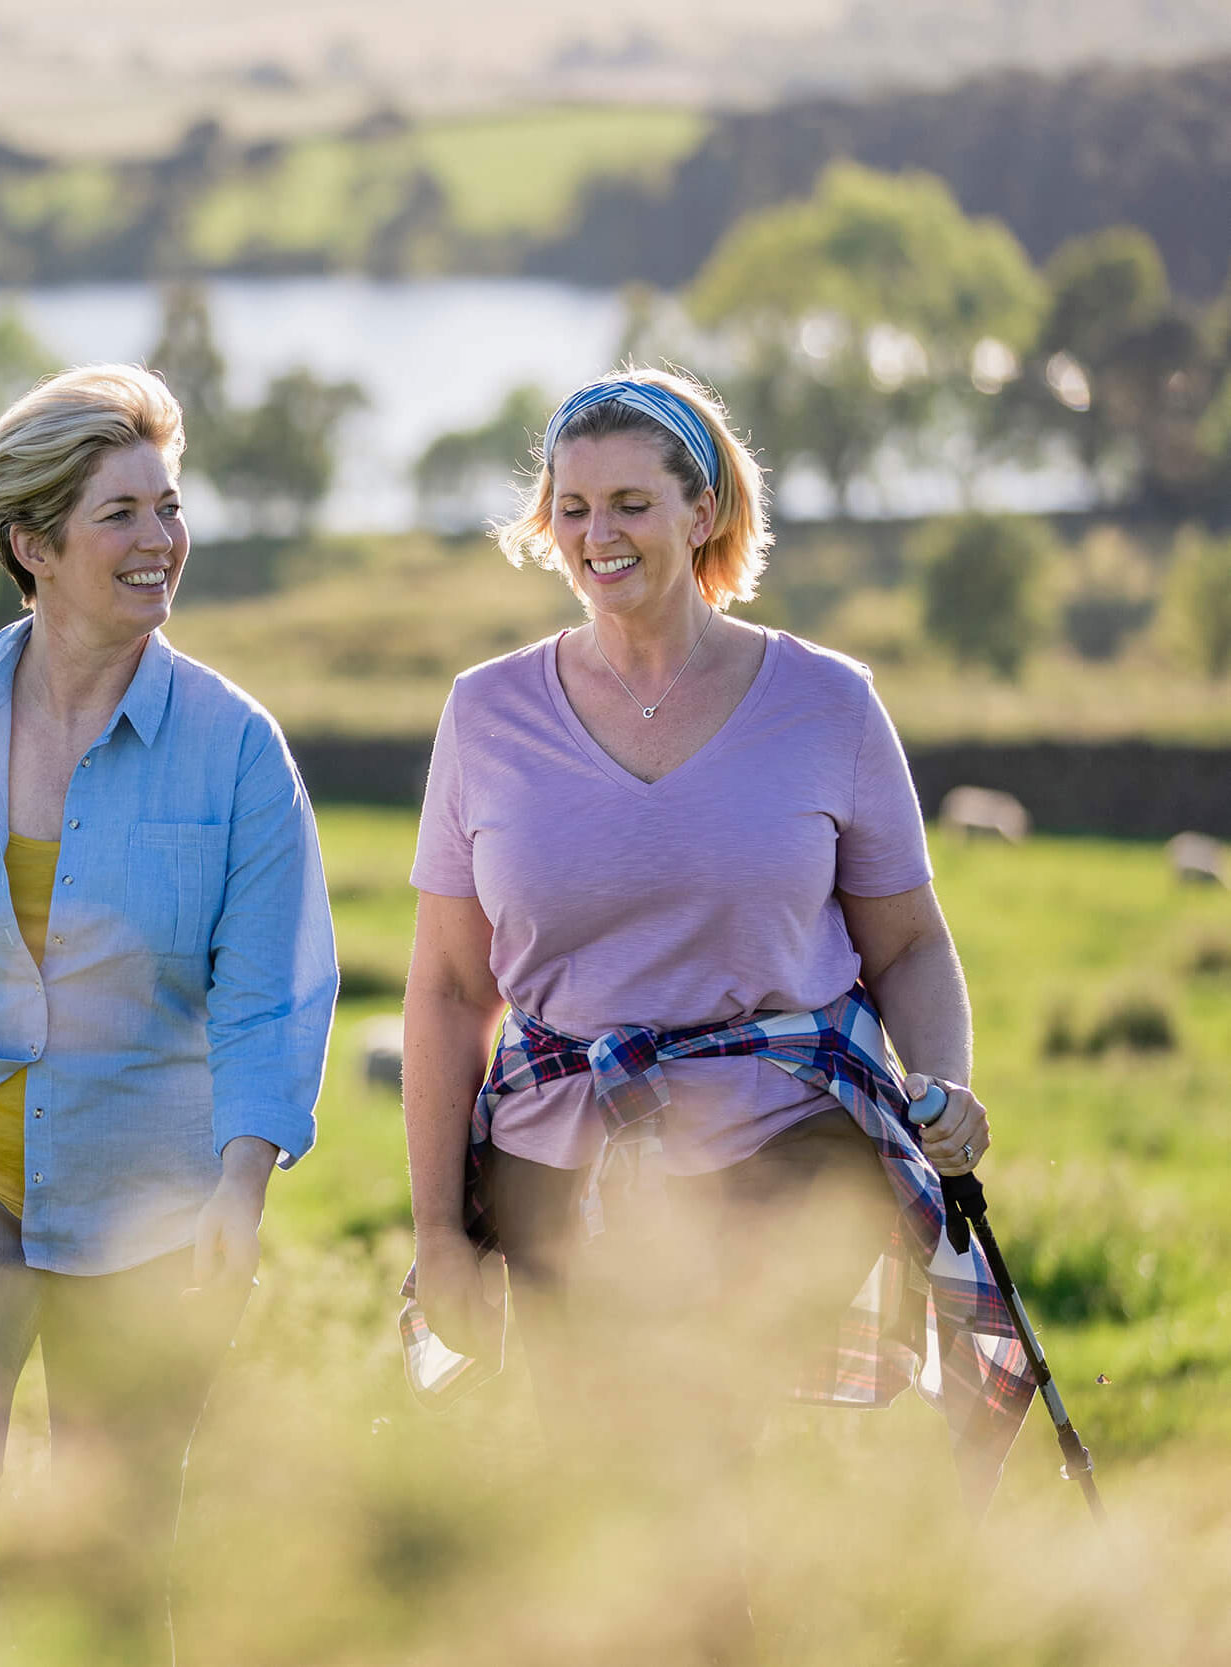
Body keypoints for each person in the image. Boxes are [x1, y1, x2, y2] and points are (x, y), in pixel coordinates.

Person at [400, 367, 1033, 1655]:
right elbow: (453, 988)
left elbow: (906, 940)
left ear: (702, 512)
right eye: (571, 507)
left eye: (630, 500)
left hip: (782, 1146)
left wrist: (947, 1083)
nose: (597, 535)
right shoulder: (486, 714)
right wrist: (440, 1234)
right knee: (609, 1497)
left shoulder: (827, 703)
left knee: (677, 1450)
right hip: (553, 1159)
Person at [0, 363, 337, 1660]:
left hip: (148, 1188)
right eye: (121, 514)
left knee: (117, 1538)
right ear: (31, 544)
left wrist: (239, 1187)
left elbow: (268, 994)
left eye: (167, 507)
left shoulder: (232, 746)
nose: (159, 540)